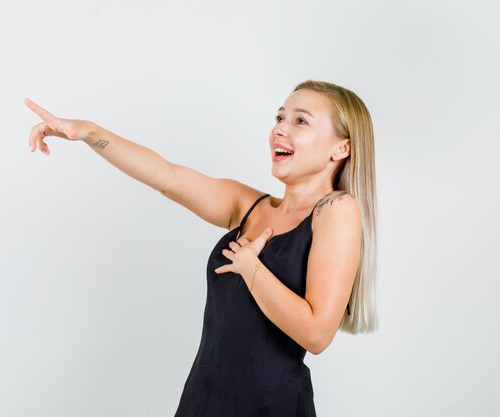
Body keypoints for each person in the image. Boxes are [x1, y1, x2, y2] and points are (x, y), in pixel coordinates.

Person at [25, 79, 378, 416]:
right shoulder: (249, 205)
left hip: (271, 407)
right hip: (203, 399)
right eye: (280, 117)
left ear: (341, 148)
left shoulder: (336, 211)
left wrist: (251, 268)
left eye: (301, 121)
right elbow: (166, 177)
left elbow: (316, 334)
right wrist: (89, 132)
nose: (280, 129)